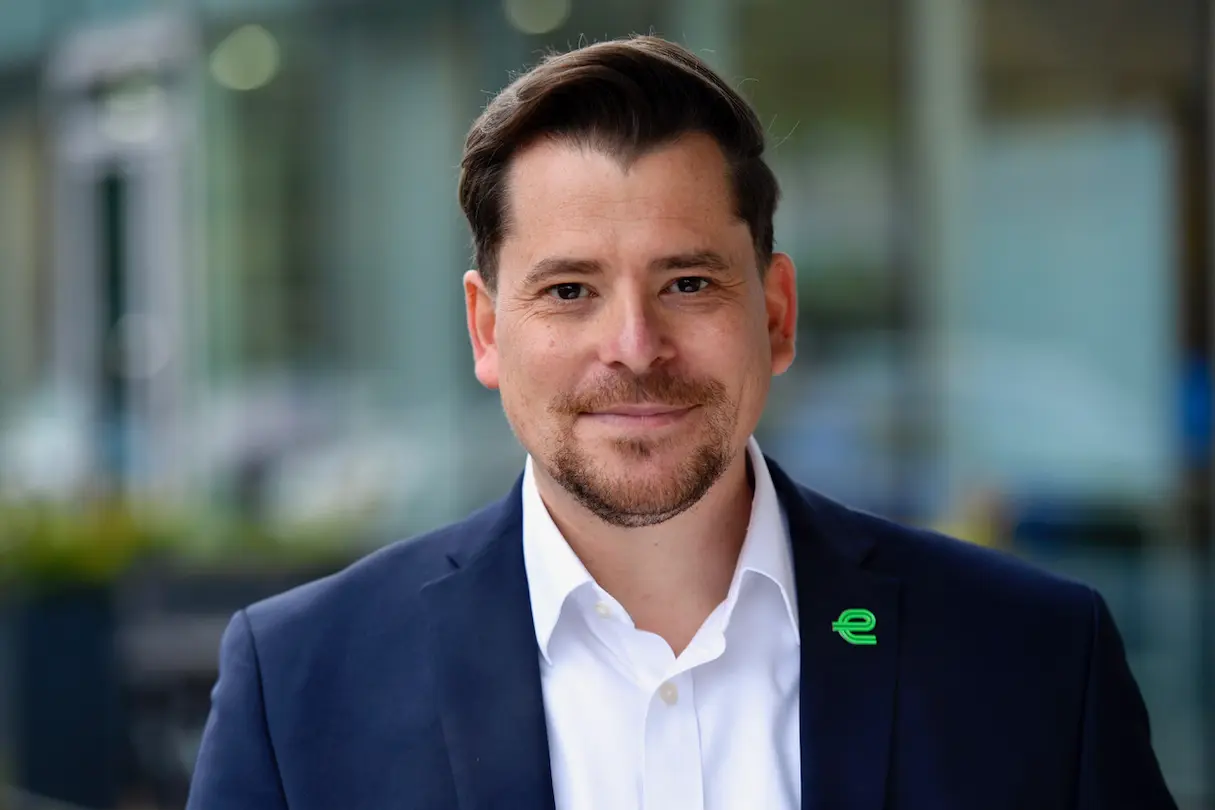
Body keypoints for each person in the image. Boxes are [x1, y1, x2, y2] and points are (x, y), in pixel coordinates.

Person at [186, 35, 1177, 810]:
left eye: (689, 283)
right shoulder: (299, 686)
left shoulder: (1034, 660)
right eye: (569, 290)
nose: (634, 345)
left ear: (776, 314)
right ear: (487, 331)